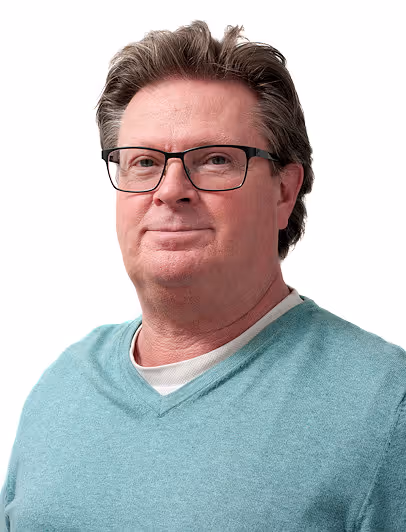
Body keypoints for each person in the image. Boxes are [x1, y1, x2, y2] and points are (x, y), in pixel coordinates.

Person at [1, 20, 405, 532]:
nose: (170, 190)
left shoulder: (385, 407)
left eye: (215, 160)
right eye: (144, 162)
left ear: (284, 192)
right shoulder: (64, 385)